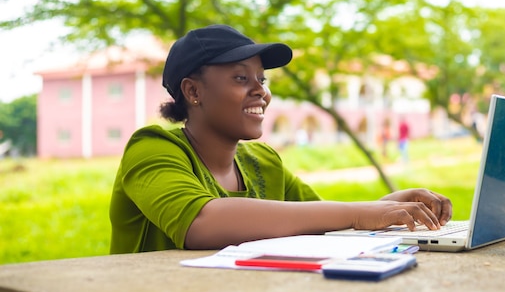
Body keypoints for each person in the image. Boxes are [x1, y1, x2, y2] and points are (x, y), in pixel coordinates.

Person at [109, 24, 452, 254]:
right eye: (242, 78)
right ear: (193, 91)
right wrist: (364, 212)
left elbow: (323, 221)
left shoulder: (262, 162)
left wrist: (390, 207)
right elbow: (201, 222)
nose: (261, 92)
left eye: (262, 78)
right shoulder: (152, 149)